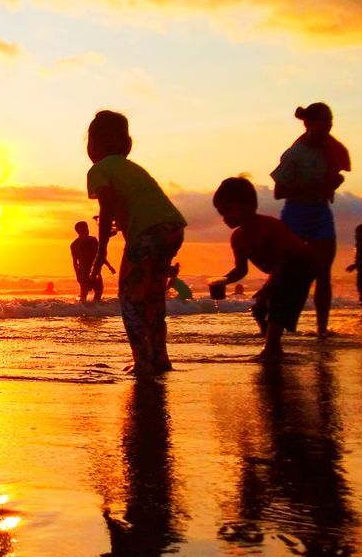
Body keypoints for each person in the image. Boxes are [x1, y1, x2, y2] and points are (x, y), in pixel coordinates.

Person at [85, 110, 186, 377]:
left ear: (92, 144)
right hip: (172, 228)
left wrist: (102, 248)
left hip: (147, 234)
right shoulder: (133, 168)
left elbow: (106, 203)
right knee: (153, 297)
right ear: (127, 145)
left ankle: (142, 360)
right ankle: (159, 357)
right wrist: (124, 223)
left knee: (131, 299)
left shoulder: (99, 169)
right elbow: (140, 203)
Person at [210, 177, 316, 362]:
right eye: (221, 213)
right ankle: (273, 343)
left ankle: (272, 346)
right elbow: (241, 269)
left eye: (227, 211)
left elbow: (284, 259)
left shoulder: (269, 226)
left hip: (301, 265)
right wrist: (223, 281)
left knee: (277, 300)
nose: (225, 218)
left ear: (246, 205)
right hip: (280, 270)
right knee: (259, 308)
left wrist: (270, 286)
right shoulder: (238, 237)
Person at [270, 103, 350, 337]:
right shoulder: (295, 154)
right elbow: (279, 192)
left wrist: (332, 183)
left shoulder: (331, 150)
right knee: (285, 273)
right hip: (295, 213)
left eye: (331, 120)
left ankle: (322, 329)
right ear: (308, 123)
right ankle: (273, 325)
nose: (329, 124)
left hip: (321, 212)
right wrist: (313, 188)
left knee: (324, 272)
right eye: (324, 120)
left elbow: (335, 176)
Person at [71, 221, 104, 303]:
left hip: (94, 270)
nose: (87, 230)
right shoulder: (75, 244)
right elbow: (75, 262)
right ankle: (84, 310)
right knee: (84, 292)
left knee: (98, 290)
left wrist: (109, 266)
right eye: (86, 228)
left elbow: (100, 255)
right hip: (84, 271)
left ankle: (95, 311)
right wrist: (78, 275)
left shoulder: (93, 240)